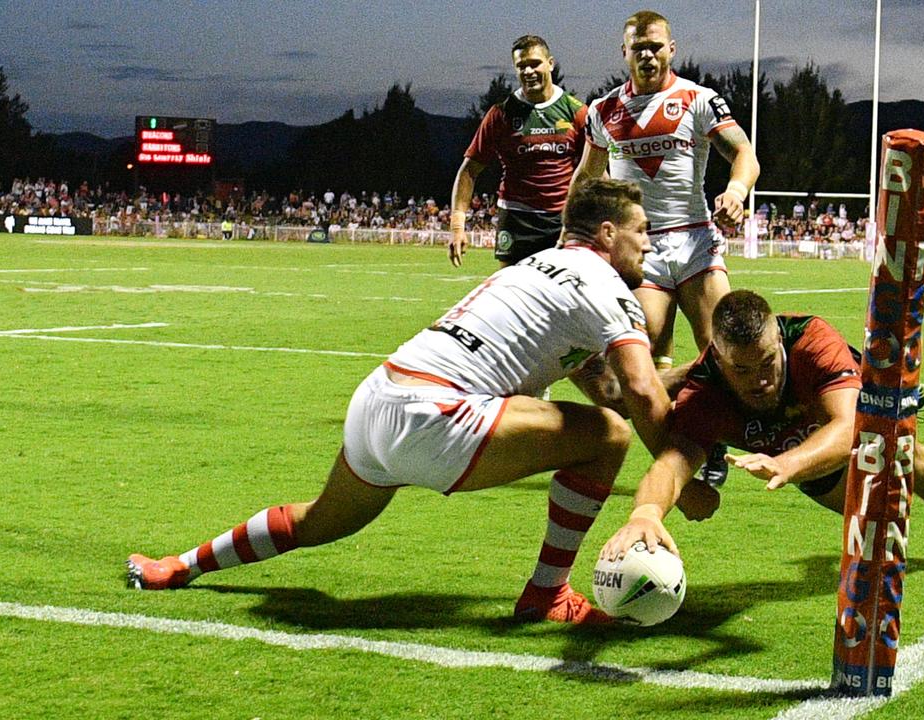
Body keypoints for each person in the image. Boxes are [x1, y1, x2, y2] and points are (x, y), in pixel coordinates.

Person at [128, 179, 673, 625]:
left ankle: (178, 566)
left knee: (318, 522)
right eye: (642, 231)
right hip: (435, 415)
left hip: (378, 401)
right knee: (608, 438)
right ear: (608, 233)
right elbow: (640, 395)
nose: (648, 244)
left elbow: (611, 392)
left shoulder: (537, 270)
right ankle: (548, 594)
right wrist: (684, 480)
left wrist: (708, 373)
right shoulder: (605, 286)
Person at [601, 290, 924, 565]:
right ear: (719, 362)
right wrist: (646, 514)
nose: (759, 380)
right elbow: (671, 464)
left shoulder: (811, 340)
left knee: (903, 459)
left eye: (767, 362)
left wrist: (787, 465)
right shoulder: (704, 391)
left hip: (849, 403)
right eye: (742, 370)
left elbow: (848, 427)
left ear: (778, 340)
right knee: (869, 514)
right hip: (788, 440)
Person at [570, 9, 760, 484]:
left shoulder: (698, 99)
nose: (648, 54)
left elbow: (744, 153)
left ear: (671, 50)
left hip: (695, 240)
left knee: (722, 347)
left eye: (656, 46)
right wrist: (568, 237)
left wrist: (736, 192)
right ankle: (690, 439)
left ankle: (713, 441)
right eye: (639, 47)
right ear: (625, 53)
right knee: (633, 367)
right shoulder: (603, 112)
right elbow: (587, 179)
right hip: (643, 251)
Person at [448, 35, 588, 268]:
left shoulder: (576, 112)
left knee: (566, 298)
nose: (528, 71)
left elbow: (594, 169)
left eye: (535, 63)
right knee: (512, 295)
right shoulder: (501, 114)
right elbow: (469, 170)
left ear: (550, 63)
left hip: (564, 219)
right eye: (521, 66)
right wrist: (457, 226)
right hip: (516, 219)